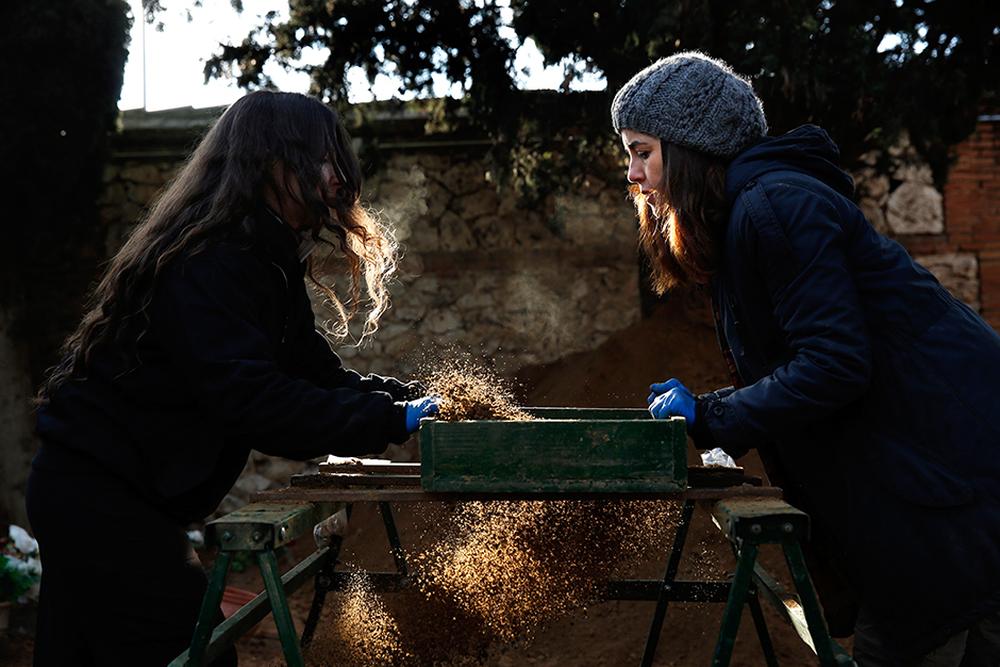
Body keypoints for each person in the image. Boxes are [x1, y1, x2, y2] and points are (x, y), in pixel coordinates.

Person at [612, 52, 1000, 666]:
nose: (632, 174)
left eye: (642, 151)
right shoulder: (748, 215)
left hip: (950, 504)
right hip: (925, 504)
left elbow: (834, 363)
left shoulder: (777, 208)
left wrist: (713, 416)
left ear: (691, 148)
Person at [27, 90, 440, 666]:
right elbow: (252, 400)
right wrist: (387, 420)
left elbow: (314, 372)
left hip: (115, 495)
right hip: (97, 494)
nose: (335, 177)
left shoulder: (264, 258)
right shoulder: (209, 261)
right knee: (194, 653)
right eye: (321, 159)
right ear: (271, 162)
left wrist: (402, 401)